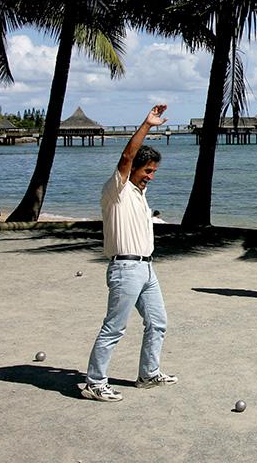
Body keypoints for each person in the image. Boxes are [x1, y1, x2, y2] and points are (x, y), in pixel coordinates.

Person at [82, 104, 177, 402]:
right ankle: (94, 383)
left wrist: (145, 177)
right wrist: (147, 124)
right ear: (133, 168)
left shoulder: (139, 193)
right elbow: (126, 156)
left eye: (153, 171)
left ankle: (148, 374)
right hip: (125, 268)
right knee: (114, 327)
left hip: (147, 269)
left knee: (158, 321)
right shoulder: (116, 190)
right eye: (147, 170)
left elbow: (139, 173)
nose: (151, 176)